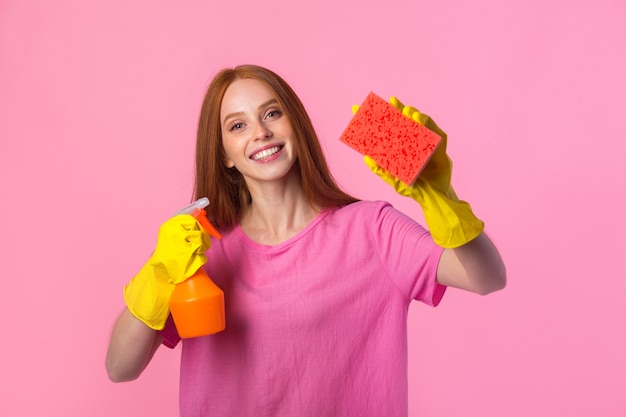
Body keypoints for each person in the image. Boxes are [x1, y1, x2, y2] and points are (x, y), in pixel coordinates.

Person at [105, 64, 506, 416]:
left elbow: (488, 278)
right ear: (224, 153)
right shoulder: (198, 249)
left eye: (272, 114)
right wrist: (160, 271)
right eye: (238, 125)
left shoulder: (372, 229)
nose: (261, 133)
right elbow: (120, 368)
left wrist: (441, 197)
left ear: (296, 124)